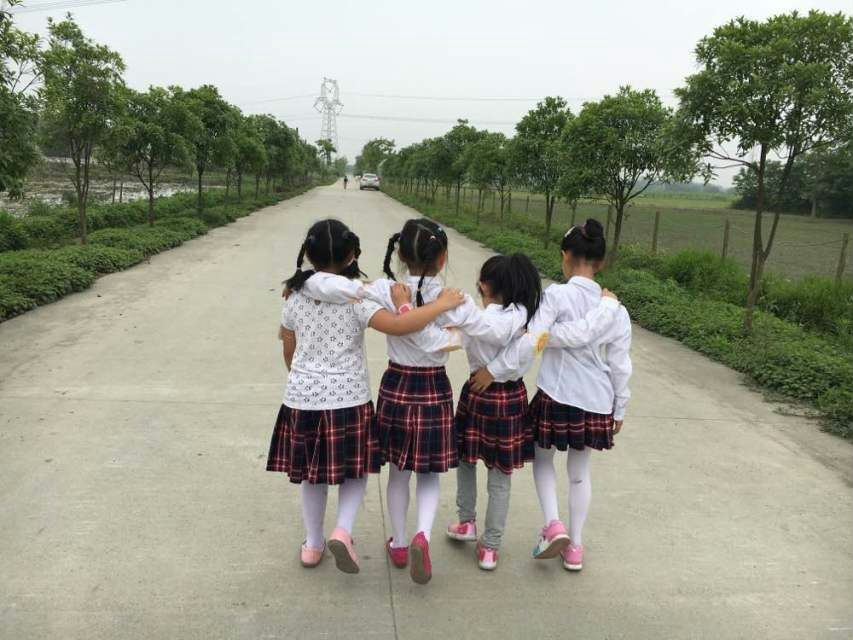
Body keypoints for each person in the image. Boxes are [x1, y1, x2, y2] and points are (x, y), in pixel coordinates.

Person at [301, 218, 528, 584]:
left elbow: (333, 285)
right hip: (434, 388)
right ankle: (423, 533)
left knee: (398, 471)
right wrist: (521, 311)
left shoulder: (387, 290)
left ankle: (400, 542)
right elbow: (497, 330)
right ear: (443, 257)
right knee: (428, 473)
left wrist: (300, 283)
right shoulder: (455, 301)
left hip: (397, 385)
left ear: (401, 255)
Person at [266, 218, 464, 575]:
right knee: (355, 471)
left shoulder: (295, 295)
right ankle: (343, 530)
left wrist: (300, 376)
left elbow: (288, 342)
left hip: (303, 397)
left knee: (311, 475)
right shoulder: (358, 299)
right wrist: (436, 307)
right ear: (352, 255)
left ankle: (313, 545)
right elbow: (401, 326)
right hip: (349, 398)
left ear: (308, 254)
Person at [446, 254, 620, 571]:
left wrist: (489, 368)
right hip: (512, 397)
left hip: (477, 390)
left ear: (484, 286)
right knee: (501, 474)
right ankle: (490, 547)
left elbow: (453, 337)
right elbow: (530, 347)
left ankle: (466, 521)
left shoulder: (477, 319)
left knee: (466, 459)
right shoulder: (527, 318)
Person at [525, 219, 632, 572]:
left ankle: (553, 525)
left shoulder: (556, 295)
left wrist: (552, 337)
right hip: (596, 399)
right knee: (580, 471)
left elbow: (536, 335)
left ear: (565, 256)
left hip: (556, 393)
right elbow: (620, 365)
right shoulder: (615, 309)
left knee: (543, 459)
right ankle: (576, 547)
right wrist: (620, 407)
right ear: (601, 262)